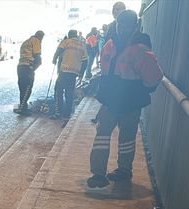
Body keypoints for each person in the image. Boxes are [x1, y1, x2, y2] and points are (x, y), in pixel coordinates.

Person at [87, 10, 162, 189]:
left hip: (129, 103)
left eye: (126, 25)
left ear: (135, 27)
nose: (122, 29)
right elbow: (105, 70)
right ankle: (98, 174)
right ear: (116, 24)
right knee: (102, 133)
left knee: (126, 139)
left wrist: (137, 92)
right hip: (110, 100)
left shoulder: (141, 50)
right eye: (120, 25)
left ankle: (124, 171)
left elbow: (154, 78)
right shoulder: (110, 44)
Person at [51, 29, 88, 121]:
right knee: (69, 93)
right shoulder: (82, 45)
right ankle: (67, 114)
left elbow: (59, 50)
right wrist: (81, 73)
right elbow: (85, 60)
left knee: (58, 91)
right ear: (76, 35)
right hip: (74, 73)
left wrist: (54, 59)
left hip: (64, 71)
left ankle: (58, 112)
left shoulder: (66, 42)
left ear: (69, 35)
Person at [14, 30, 45, 115]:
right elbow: (38, 58)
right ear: (41, 37)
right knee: (28, 88)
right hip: (28, 67)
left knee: (22, 89)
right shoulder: (36, 41)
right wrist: (32, 69)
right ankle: (23, 109)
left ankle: (22, 107)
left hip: (20, 66)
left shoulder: (26, 42)